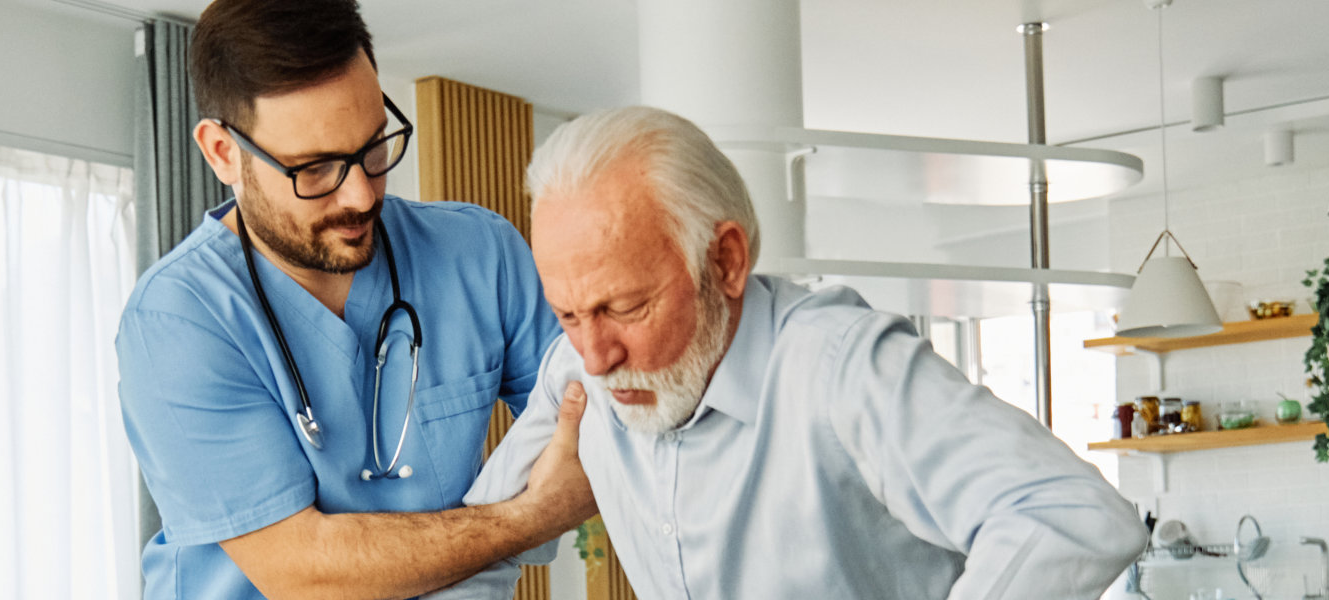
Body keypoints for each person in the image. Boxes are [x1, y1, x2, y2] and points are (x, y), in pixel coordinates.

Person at [453, 106, 1148, 599]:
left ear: (725, 261)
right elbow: (474, 556)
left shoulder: (839, 366)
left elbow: (1070, 514)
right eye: (567, 315)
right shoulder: (576, 375)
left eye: (626, 308)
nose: (597, 354)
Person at [114, 1, 595, 598]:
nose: (363, 195)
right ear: (222, 153)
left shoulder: (479, 253)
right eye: (314, 170)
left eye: (373, 148)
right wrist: (531, 518)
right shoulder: (176, 320)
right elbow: (303, 570)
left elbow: (592, 413)